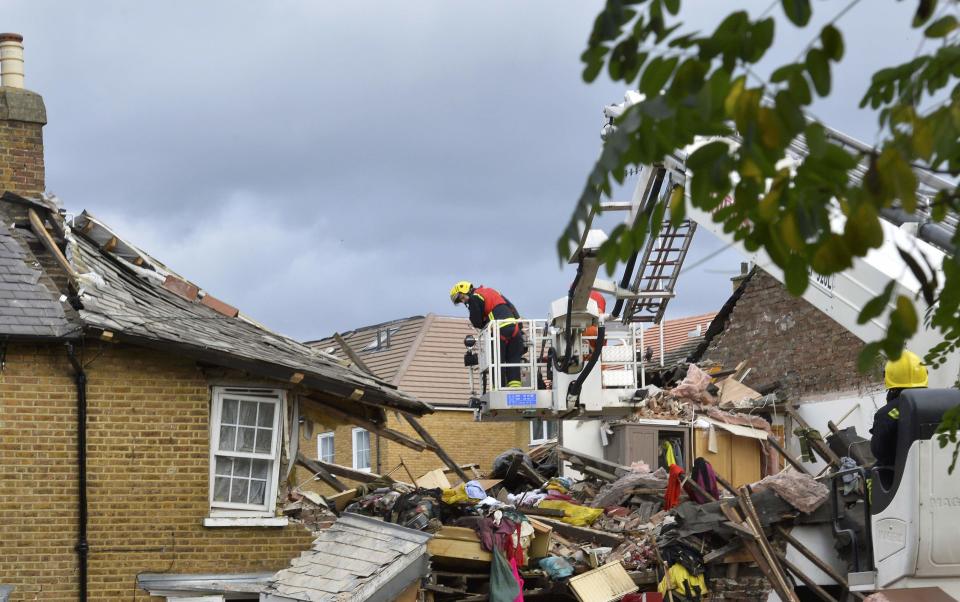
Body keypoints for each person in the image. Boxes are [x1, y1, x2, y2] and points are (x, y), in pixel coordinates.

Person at [450, 281, 524, 388]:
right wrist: (520, 329)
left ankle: (498, 389)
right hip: (515, 331)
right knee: (513, 361)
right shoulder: (492, 291)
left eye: (462, 298)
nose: (463, 301)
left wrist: (482, 319)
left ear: (466, 290)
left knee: (497, 362)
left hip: (499, 331)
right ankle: (515, 389)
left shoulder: (474, 297)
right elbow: (511, 307)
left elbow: (477, 322)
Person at [870, 350, 928, 467]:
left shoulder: (886, 414)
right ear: (924, 373)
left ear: (888, 376)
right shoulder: (939, 403)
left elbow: (879, 451)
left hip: (900, 476)